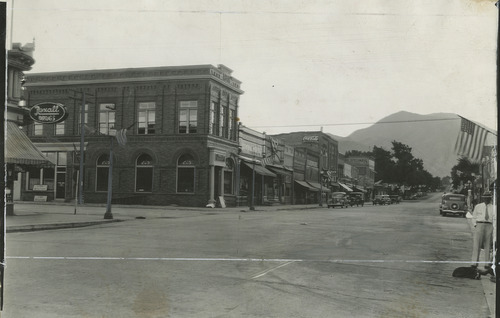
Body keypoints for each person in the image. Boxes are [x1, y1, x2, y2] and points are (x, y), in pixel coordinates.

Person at [471, 191, 495, 276]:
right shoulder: (478, 206)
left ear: (491, 198)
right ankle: (474, 263)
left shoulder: (494, 207)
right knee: (476, 244)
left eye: (488, 197)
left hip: (489, 226)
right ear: (483, 198)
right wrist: (475, 225)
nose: (486, 198)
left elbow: (495, 218)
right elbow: (473, 217)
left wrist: (493, 228)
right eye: (485, 197)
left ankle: (487, 264)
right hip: (479, 225)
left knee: (488, 245)